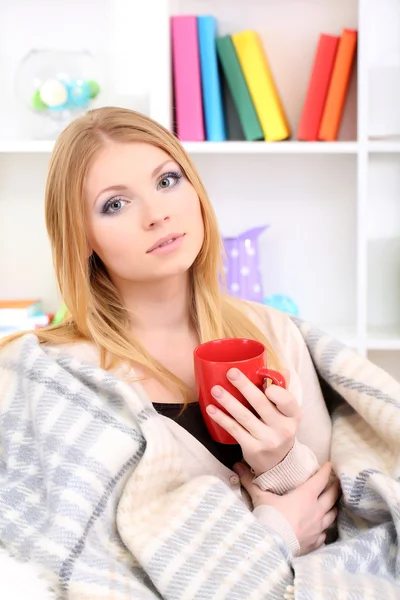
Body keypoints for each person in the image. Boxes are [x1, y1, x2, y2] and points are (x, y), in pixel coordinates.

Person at [0, 107, 340, 598]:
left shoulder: (273, 333)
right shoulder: (55, 378)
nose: (157, 213)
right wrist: (271, 536)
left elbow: (326, 533)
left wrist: (278, 459)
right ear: (82, 237)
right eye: (115, 204)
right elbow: (87, 572)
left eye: (167, 180)